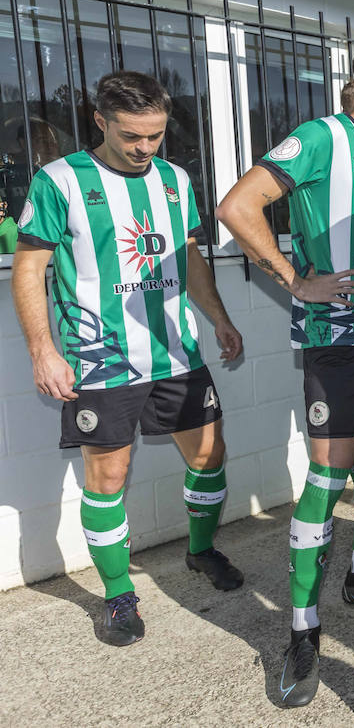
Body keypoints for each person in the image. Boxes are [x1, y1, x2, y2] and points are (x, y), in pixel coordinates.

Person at [12, 71, 246, 647]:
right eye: (132, 137)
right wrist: (43, 351)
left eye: (156, 135)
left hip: (177, 352)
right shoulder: (59, 180)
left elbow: (187, 254)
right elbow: (28, 268)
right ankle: (119, 595)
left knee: (211, 456)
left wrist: (217, 315)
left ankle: (200, 550)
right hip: (101, 359)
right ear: (100, 122)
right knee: (108, 476)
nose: (146, 148)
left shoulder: (173, 178)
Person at [216, 43, 354, 706]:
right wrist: (297, 282)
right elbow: (237, 206)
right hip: (338, 345)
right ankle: (302, 627)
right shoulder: (319, 138)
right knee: (328, 478)